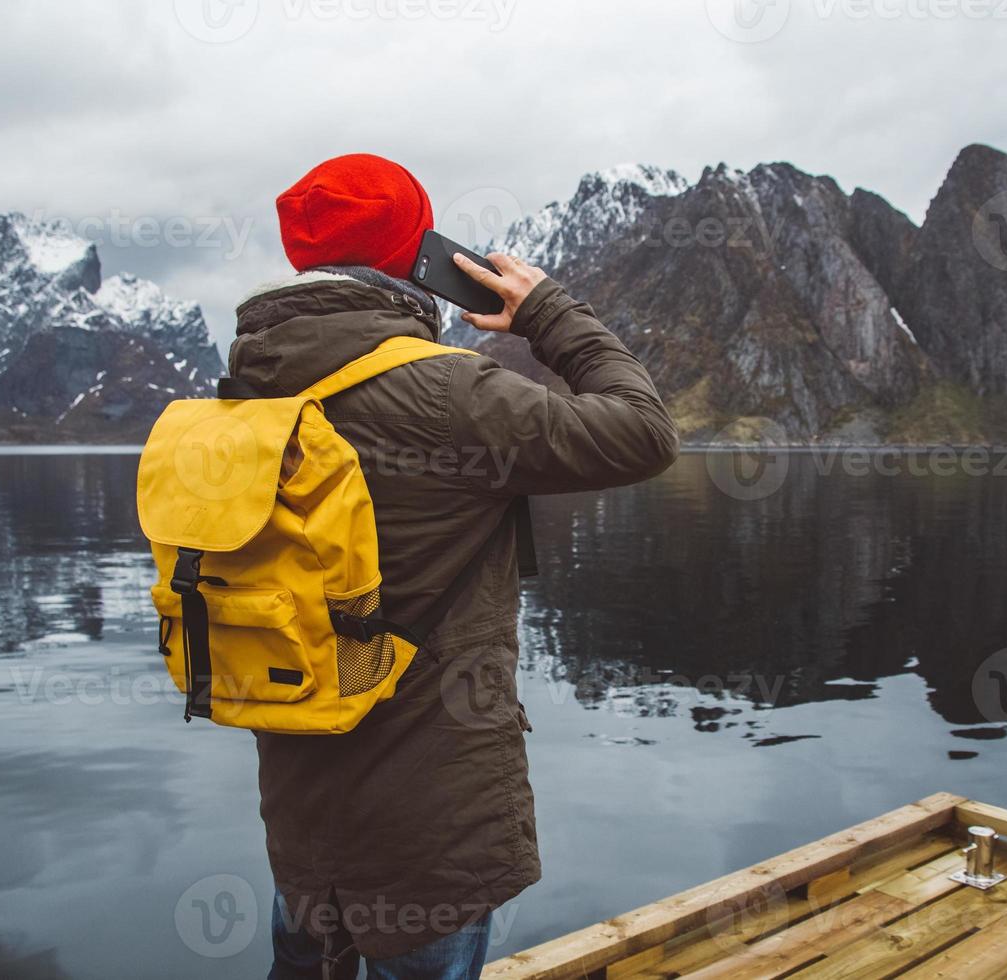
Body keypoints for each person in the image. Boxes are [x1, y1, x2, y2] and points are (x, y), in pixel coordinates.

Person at [229, 153, 679, 979]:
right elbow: (645, 431)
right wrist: (547, 313)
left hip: (299, 806)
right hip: (429, 820)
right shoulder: (451, 394)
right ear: (417, 254)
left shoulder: (245, 388)